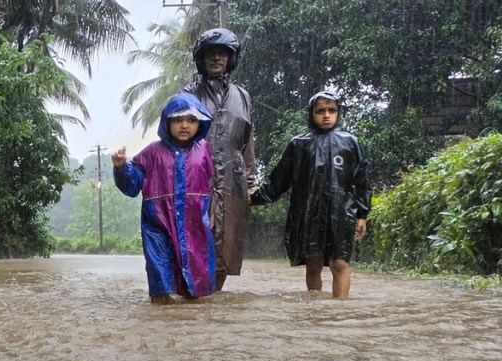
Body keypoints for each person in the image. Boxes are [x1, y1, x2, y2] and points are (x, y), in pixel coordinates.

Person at [249, 90, 370, 299]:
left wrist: (362, 215)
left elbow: (361, 181)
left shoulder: (351, 142)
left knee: (340, 262)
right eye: (320, 111)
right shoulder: (299, 144)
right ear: (311, 114)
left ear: (338, 113)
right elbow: (280, 178)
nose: (326, 115)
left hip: (341, 213)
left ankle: (339, 310)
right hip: (308, 213)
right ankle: (314, 309)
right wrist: (254, 198)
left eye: (332, 110)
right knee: (313, 262)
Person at [112, 92, 216, 304]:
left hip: (194, 224)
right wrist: (121, 167)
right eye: (177, 120)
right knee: (161, 278)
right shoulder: (152, 152)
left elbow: (212, 183)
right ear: (167, 123)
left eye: (191, 120)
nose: (184, 125)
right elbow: (132, 185)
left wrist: (213, 211)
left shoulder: (203, 150)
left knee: (195, 281)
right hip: (157, 224)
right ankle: (161, 319)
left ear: (200, 123)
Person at [182, 28, 256, 291]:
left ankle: (213, 298)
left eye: (222, 53)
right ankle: (196, 298)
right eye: (210, 53)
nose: (216, 58)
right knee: (197, 240)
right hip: (198, 177)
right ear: (201, 59)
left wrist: (249, 182)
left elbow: (247, 143)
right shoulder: (189, 93)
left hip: (233, 181)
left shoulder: (242, 96)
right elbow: (177, 137)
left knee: (227, 248)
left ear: (230, 58)